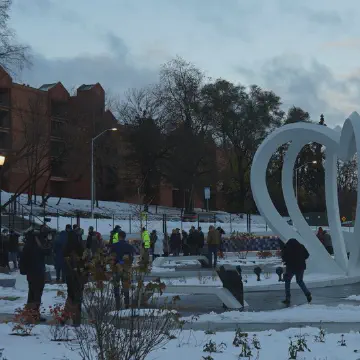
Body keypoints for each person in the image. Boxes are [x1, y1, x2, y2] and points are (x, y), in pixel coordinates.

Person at [20, 228, 51, 321]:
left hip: (30, 273)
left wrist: (24, 270)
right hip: (38, 272)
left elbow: (23, 259)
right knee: (37, 294)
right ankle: (34, 314)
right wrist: (49, 241)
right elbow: (47, 252)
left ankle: (29, 313)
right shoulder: (38, 245)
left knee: (32, 293)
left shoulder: (28, 245)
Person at [63, 225, 86, 326]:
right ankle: (76, 317)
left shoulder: (66, 246)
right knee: (77, 294)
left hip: (68, 273)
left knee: (70, 294)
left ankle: (66, 315)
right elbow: (83, 259)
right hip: (77, 274)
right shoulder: (78, 246)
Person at [281, 238, 312, 306]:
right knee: (300, 281)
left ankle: (288, 298)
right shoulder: (301, 246)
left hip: (291, 267)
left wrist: (287, 261)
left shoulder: (287, 247)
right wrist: (301, 259)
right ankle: (307, 293)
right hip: (301, 267)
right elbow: (307, 255)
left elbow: (284, 257)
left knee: (287, 281)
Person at [111, 230, 134, 309]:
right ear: (125, 237)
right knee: (126, 287)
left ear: (118, 237)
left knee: (116, 286)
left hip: (116, 269)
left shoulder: (114, 246)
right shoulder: (129, 246)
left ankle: (117, 305)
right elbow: (131, 258)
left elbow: (111, 257)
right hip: (126, 270)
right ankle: (127, 305)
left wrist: (118, 262)